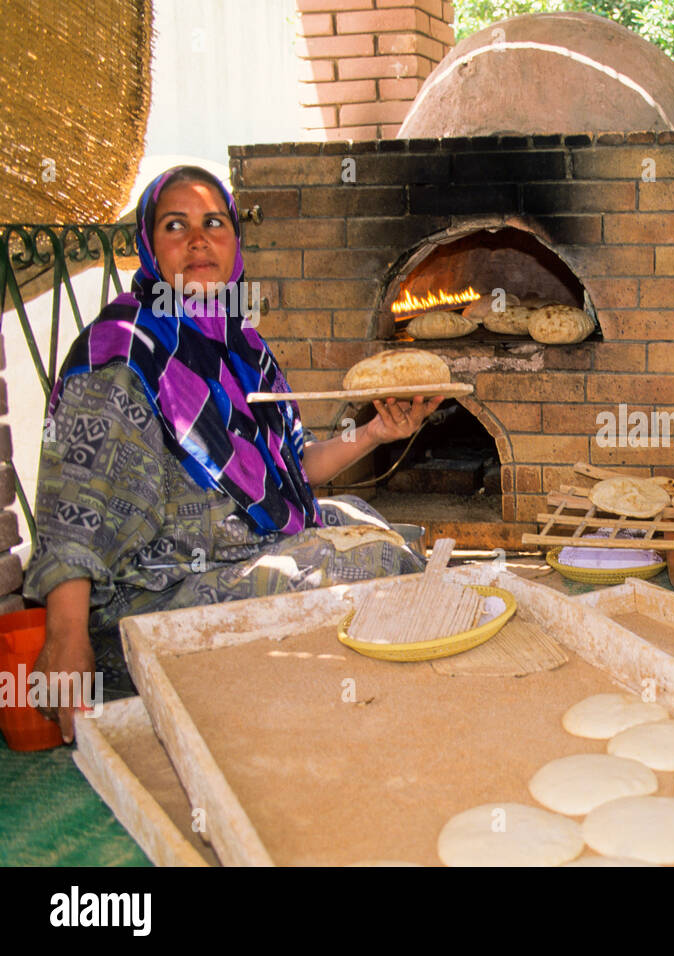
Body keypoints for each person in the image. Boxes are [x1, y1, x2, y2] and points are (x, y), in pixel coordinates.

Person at [24, 165, 440, 741]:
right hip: (153, 598)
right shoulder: (122, 354)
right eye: (176, 225)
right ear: (149, 245)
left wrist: (372, 433)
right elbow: (75, 513)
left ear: (234, 243)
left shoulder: (239, 344)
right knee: (359, 565)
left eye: (213, 223)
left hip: (244, 550)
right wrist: (65, 636)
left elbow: (297, 471)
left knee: (371, 525)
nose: (198, 240)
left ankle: (376, 684)